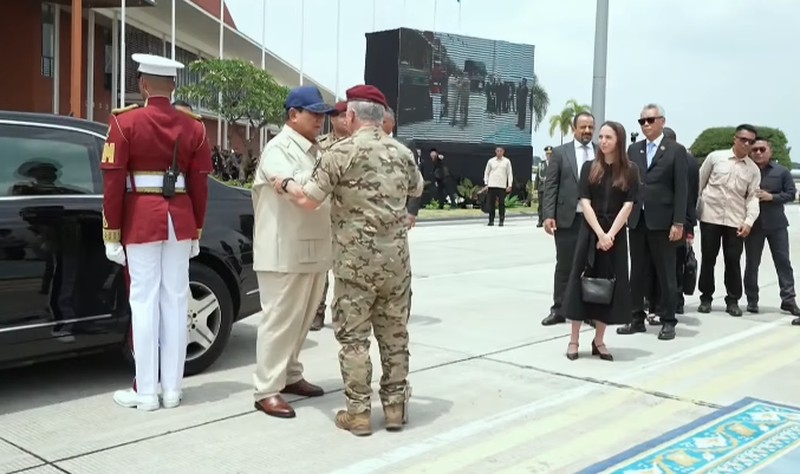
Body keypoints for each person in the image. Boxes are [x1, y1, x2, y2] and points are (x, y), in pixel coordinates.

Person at [277, 84, 423, 436]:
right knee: (394, 336)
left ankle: (358, 413)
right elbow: (416, 189)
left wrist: (283, 183)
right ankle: (394, 410)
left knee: (354, 338)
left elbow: (309, 200)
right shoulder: (403, 153)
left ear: (352, 116)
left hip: (354, 264)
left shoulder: (340, 153)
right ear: (381, 117)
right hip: (396, 264)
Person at [102, 53, 213, 411]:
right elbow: (199, 185)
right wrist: (195, 229)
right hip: (179, 219)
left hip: (141, 220)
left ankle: (146, 391)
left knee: (144, 302)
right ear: (175, 86)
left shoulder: (124, 122)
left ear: (143, 85)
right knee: (176, 302)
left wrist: (111, 232)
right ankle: (172, 390)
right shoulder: (194, 126)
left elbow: (113, 182)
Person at [250, 85, 334, 418]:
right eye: (314, 113)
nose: (320, 120)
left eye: (322, 114)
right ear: (293, 115)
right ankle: (266, 389)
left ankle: (290, 375)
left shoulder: (316, 151)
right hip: (282, 251)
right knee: (280, 321)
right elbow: (294, 191)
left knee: (300, 322)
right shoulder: (279, 149)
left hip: (312, 249)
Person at [562, 121, 638, 361]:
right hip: (590, 232)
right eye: (601, 136)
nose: (603, 141)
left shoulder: (630, 170)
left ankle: (599, 340)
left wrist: (610, 235)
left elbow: (629, 205)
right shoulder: (589, 167)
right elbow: (584, 202)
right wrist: (599, 233)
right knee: (580, 283)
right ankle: (574, 340)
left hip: (615, 235)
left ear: (619, 141)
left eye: (608, 137)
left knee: (609, 285)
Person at [616, 104, 687, 341]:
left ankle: (668, 320)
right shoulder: (634, 150)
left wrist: (679, 222)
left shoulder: (675, 150)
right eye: (642, 121)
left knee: (666, 273)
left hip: (664, 222)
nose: (646, 125)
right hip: (637, 220)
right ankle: (636, 317)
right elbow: (626, 184)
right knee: (637, 272)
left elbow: (682, 190)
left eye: (650, 120)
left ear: (662, 121)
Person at [696, 124, 761, 316]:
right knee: (708, 259)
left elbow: (752, 197)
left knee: (733, 261)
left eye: (750, 141)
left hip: (735, 221)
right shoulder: (716, 158)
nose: (746, 144)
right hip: (710, 217)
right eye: (743, 140)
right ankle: (706, 298)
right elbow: (699, 184)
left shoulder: (753, 170)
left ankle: (732, 300)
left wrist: (749, 221)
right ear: (735, 139)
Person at [541, 112, 597, 325]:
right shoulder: (560, 153)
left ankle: (590, 311)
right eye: (583, 127)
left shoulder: (600, 153)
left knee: (592, 266)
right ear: (574, 129)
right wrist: (548, 215)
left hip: (595, 220)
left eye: (591, 127)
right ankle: (560, 309)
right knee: (565, 265)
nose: (587, 131)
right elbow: (551, 185)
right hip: (567, 219)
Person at [743, 138, 800, 318]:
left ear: (770, 151)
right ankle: (752, 300)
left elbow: (791, 194)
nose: (758, 153)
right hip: (754, 226)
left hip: (777, 225)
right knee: (752, 264)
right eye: (755, 150)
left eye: (762, 149)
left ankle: (788, 299)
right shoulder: (746, 171)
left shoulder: (781, 171)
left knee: (783, 263)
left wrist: (771, 197)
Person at [310, 100, 350, 332]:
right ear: (332, 119)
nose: (343, 119)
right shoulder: (320, 144)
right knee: (321, 266)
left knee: (345, 267)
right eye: (339, 115)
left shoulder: (358, 144)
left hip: (349, 214)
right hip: (324, 211)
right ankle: (317, 312)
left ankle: (342, 314)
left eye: (347, 115)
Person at [483, 147, 514, 226]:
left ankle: (501, 220)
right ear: (495, 152)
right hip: (492, 185)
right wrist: (486, 183)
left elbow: (509, 173)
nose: (499, 152)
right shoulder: (491, 161)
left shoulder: (507, 161)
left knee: (501, 204)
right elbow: (486, 172)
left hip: (502, 186)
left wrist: (509, 185)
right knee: (491, 204)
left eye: (500, 151)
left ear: (503, 152)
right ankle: (491, 220)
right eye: (497, 151)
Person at [535, 146, 552, 227]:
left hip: (551, 189)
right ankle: (540, 220)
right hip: (542, 188)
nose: (549, 155)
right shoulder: (541, 164)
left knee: (549, 205)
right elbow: (537, 177)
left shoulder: (555, 163)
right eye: (547, 154)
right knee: (541, 205)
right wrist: (535, 188)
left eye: (550, 154)